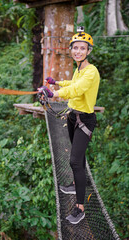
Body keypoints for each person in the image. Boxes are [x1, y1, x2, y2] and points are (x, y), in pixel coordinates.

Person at [38, 30, 100, 225]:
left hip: (85, 121)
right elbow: (72, 83)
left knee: (74, 161)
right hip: (73, 117)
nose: (78, 51)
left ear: (88, 51)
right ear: (71, 50)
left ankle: (80, 207)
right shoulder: (79, 69)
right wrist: (56, 83)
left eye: (82, 48)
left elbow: (77, 89)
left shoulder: (91, 71)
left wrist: (53, 94)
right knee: (77, 159)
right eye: (75, 48)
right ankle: (75, 184)